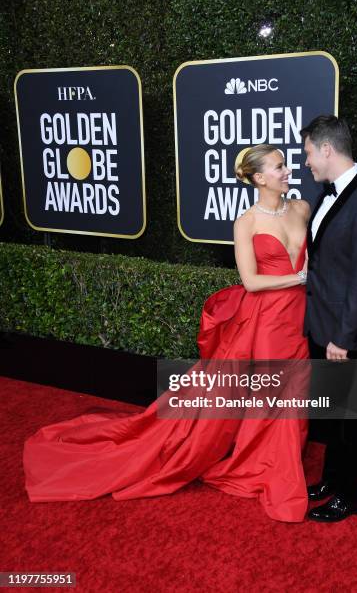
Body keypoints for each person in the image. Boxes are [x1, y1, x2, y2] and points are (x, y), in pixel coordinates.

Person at [23, 144, 310, 522]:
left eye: (285, 164)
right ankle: (267, 466)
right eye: (278, 166)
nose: (287, 170)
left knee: (295, 393)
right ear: (258, 178)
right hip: (267, 319)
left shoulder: (302, 208)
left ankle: (272, 461)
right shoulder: (247, 222)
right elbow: (251, 282)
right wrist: (300, 278)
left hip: (301, 316)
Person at [300, 115, 357, 522]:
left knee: (353, 415)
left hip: (344, 335)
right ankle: (333, 479)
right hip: (323, 326)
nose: (306, 164)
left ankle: (351, 494)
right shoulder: (327, 195)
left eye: (307, 154)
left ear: (326, 149)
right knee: (334, 411)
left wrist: (344, 337)